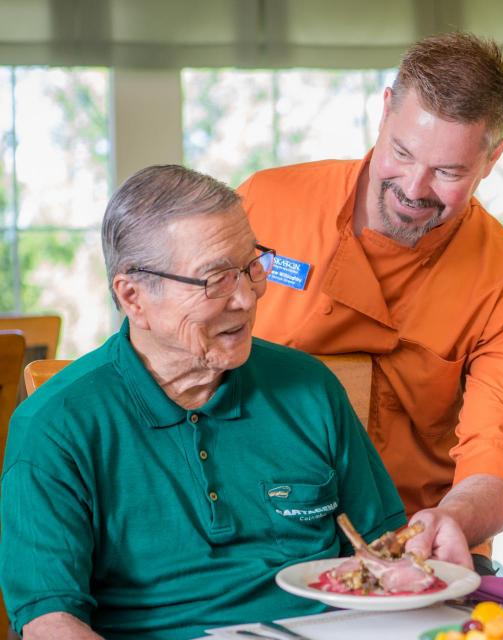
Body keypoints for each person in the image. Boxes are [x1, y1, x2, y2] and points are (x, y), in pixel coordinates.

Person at [0, 165, 409, 640]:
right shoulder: (55, 425)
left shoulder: (309, 387)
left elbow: (383, 555)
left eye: (250, 266)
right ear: (133, 297)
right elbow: (51, 624)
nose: (247, 298)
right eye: (214, 279)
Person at [237, 32, 503, 572]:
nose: (413, 187)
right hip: (251, 535)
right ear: (385, 110)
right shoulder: (265, 205)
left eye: (448, 172)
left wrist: (450, 520)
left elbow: (497, 454)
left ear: (493, 157)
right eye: (401, 153)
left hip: (414, 548)